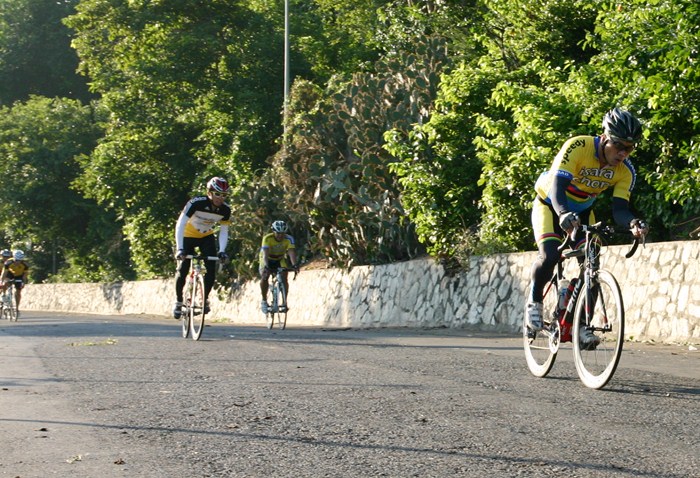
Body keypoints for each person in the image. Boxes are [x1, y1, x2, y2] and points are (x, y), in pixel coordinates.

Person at [526, 107, 649, 347]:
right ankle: (535, 301)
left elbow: (620, 210)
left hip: (583, 212)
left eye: (629, 148)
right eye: (618, 145)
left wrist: (634, 223)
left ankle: (581, 325)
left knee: (591, 265)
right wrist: (562, 214)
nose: (623, 153)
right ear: (604, 137)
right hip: (550, 204)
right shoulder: (578, 146)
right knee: (550, 255)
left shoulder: (625, 171)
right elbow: (557, 188)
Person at [173, 177, 231, 319]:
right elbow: (180, 223)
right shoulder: (196, 203)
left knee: (211, 269)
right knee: (183, 269)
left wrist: (222, 251)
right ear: (209, 192)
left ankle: (204, 299)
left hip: (206, 236)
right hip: (187, 235)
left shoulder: (225, 210)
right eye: (217, 194)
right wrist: (180, 248)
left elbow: (224, 231)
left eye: (224, 195)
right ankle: (179, 301)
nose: (220, 198)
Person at [259, 220, 299, 313]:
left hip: (279, 259)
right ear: (273, 231)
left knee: (284, 276)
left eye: (282, 233)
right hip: (267, 258)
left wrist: (294, 265)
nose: (280, 235)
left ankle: (284, 302)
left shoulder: (289, 239)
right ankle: (264, 300)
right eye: (278, 233)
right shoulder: (267, 238)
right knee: (265, 276)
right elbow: (265, 255)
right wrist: (266, 267)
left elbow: (291, 252)